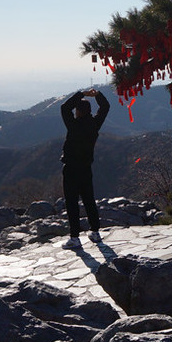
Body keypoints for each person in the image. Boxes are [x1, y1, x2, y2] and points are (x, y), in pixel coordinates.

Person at [59, 88, 109, 249]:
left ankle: (75, 237)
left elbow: (64, 108)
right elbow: (105, 107)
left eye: (76, 111)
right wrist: (98, 95)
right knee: (89, 200)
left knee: (72, 203)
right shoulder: (94, 125)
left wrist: (82, 93)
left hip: (71, 169)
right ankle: (95, 231)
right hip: (86, 169)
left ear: (78, 112)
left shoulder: (73, 125)